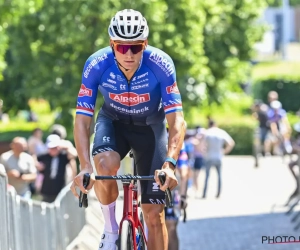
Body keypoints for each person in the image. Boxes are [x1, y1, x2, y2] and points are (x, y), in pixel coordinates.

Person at [70, 9, 186, 250]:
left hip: (150, 128)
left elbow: (177, 121)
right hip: (113, 123)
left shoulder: (161, 64)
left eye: (137, 46)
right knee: (104, 165)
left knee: (154, 214)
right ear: (112, 45)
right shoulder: (96, 64)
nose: (130, 54)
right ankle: (111, 231)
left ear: (146, 44)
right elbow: (82, 120)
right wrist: (85, 168)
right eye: (123, 47)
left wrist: (170, 165)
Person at [36, 134, 77, 202]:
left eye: (55, 147)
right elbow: (34, 158)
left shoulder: (63, 156)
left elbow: (74, 155)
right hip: (46, 189)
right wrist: (38, 165)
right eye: (51, 148)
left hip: (60, 188)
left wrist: (66, 147)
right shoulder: (44, 156)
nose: (53, 150)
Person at [202, 120, 235, 199]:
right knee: (219, 176)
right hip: (218, 156)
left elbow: (201, 145)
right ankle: (218, 193)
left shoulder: (207, 132)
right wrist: (224, 151)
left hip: (209, 156)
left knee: (207, 176)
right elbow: (231, 143)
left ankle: (204, 193)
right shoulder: (221, 132)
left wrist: (204, 152)